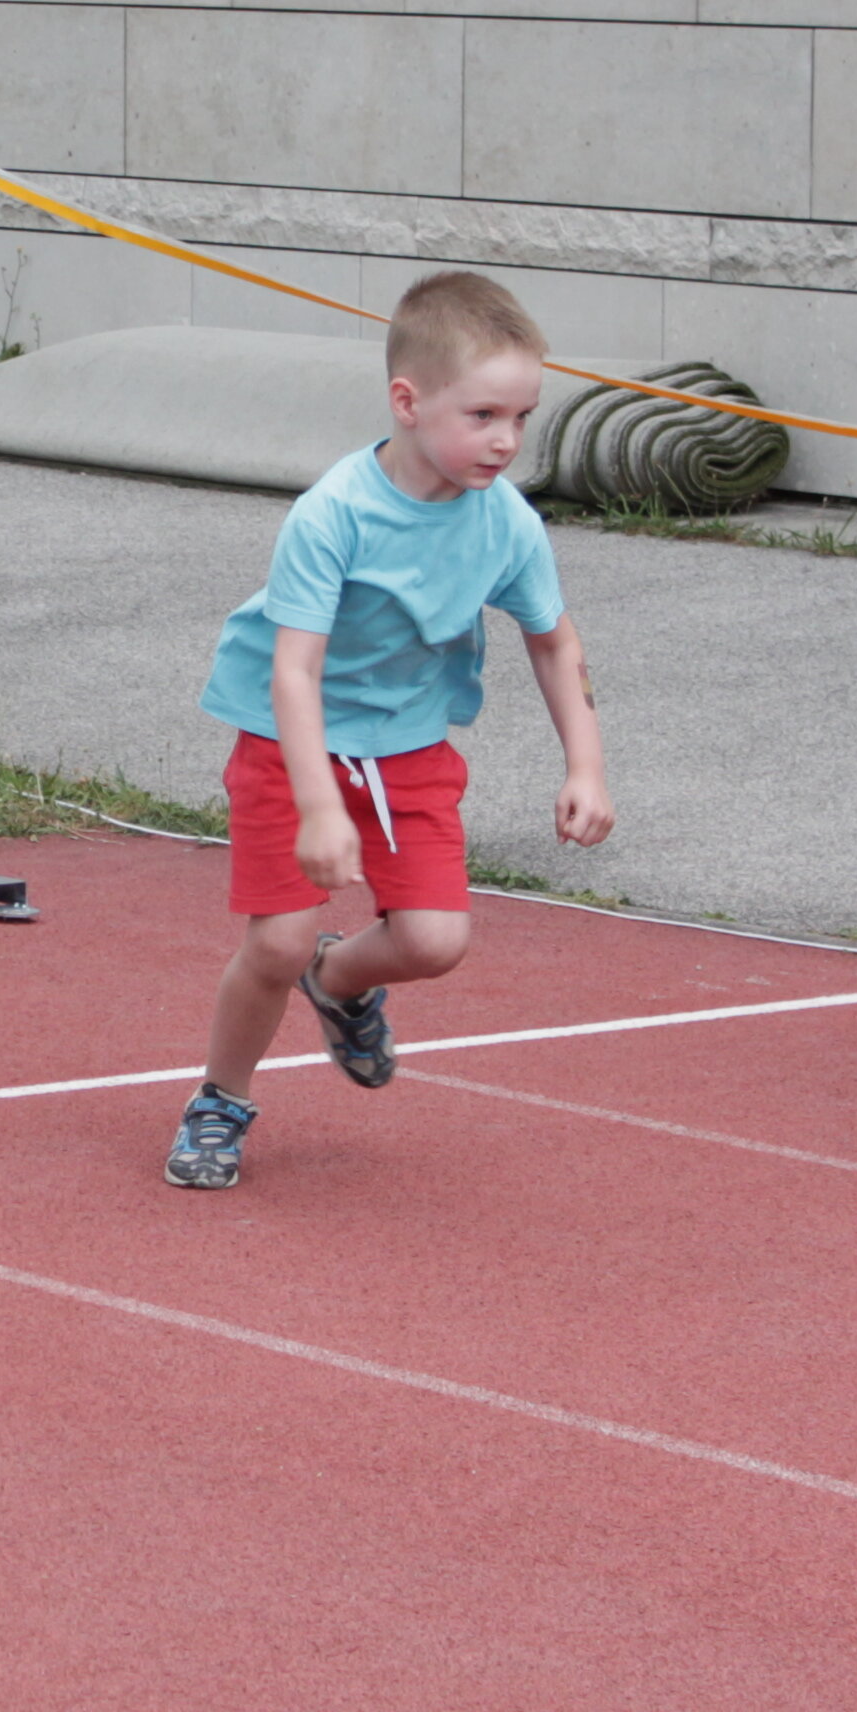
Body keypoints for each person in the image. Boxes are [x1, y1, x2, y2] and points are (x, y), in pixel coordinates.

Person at [167, 269, 615, 1190]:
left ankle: (338, 985)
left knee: (434, 943)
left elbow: (553, 640)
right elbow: (294, 671)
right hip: (288, 739)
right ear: (407, 402)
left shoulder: (508, 524)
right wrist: (318, 806)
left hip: (408, 744)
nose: (506, 440)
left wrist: (587, 766)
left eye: (522, 418)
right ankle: (220, 1097)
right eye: (484, 414)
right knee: (278, 941)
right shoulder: (333, 513)